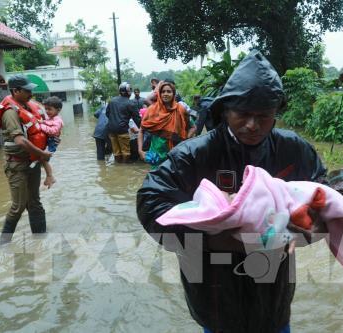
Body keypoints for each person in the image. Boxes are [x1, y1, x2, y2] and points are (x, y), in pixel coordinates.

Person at [136, 50, 328, 333]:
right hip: (213, 287)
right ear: (225, 110)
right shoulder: (194, 153)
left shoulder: (293, 149)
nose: (253, 125)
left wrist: (299, 233)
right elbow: (150, 201)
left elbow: (324, 194)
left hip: (273, 287)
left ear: (276, 112)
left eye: (264, 116)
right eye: (243, 114)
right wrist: (216, 239)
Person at [0, 75, 52, 245]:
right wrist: (42, 153)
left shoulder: (27, 107)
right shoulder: (10, 112)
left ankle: (41, 241)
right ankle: (3, 245)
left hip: (32, 162)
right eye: (27, 91)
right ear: (15, 91)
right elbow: (20, 140)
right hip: (17, 164)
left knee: (35, 203)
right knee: (18, 207)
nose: (30, 94)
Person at [137, 81, 196, 168]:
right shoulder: (152, 110)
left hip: (176, 154)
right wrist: (140, 150)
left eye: (169, 91)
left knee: (174, 179)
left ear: (174, 94)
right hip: (156, 155)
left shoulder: (181, 109)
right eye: (163, 91)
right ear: (159, 94)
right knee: (156, 179)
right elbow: (141, 131)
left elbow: (193, 127)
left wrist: (185, 140)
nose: (165, 94)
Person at [106, 82, 141, 163]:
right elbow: (137, 119)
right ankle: (124, 168)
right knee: (126, 152)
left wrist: (114, 120)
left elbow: (108, 114)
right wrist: (142, 129)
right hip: (122, 130)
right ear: (128, 92)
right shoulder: (131, 103)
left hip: (111, 130)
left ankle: (118, 167)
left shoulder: (112, 101)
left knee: (116, 152)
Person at [38, 96, 64, 187]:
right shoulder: (51, 118)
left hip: (52, 142)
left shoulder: (58, 120)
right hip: (50, 141)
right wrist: (43, 122)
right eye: (46, 109)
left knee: (44, 159)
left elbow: (52, 131)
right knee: (42, 159)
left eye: (50, 109)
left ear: (58, 110)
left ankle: (50, 176)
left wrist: (41, 126)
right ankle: (49, 177)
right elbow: (47, 122)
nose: (47, 112)